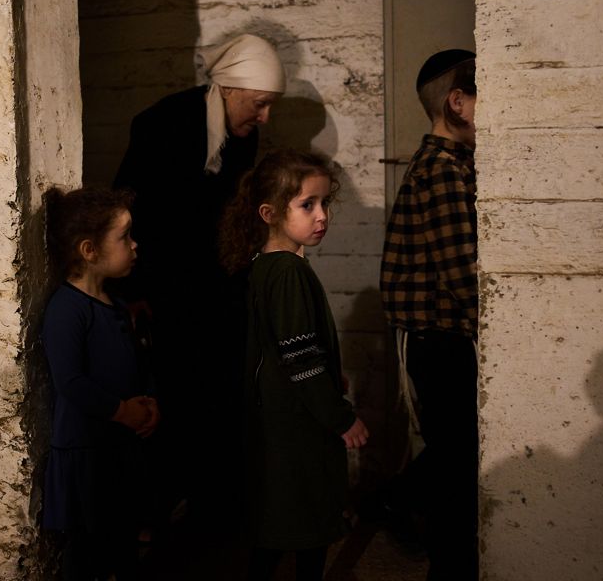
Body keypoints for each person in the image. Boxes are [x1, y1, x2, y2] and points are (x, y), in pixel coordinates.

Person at [113, 33, 286, 523]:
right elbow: (133, 209)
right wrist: (133, 291)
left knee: (224, 389)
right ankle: (174, 504)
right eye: (260, 104)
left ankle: (218, 504)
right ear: (229, 89)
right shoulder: (163, 124)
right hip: (166, 287)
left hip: (217, 283)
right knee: (179, 392)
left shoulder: (241, 137)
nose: (265, 118)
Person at [219, 149, 370, 581]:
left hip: (283, 414)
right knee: (308, 520)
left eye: (325, 203)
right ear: (269, 213)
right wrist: (341, 418)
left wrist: (327, 372)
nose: (321, 216)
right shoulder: (286, 271)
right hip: (297, 423)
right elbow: (300, 359)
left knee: (283, 521)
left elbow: (287, 347)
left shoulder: (268, 265)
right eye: (308, 205)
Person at [380, 49, 480, 580]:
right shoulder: (441, 170)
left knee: (453, 452)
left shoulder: (450, 165)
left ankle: (397, 500)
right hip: (437, 339)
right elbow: (462, 272)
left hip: (438, 337)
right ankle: (451, 565)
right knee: (457, 462)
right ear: (457, 102)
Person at [40, 186, 161, 581]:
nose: (134, 244)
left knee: (121, 541)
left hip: (117, 446)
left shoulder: (117, 304)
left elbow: (131, 363)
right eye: (124, 237)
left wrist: (146, 402)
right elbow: (71, 381)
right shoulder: (67, 309)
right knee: (87, 551)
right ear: (89, 250)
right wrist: (123, 410)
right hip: (86, 450)